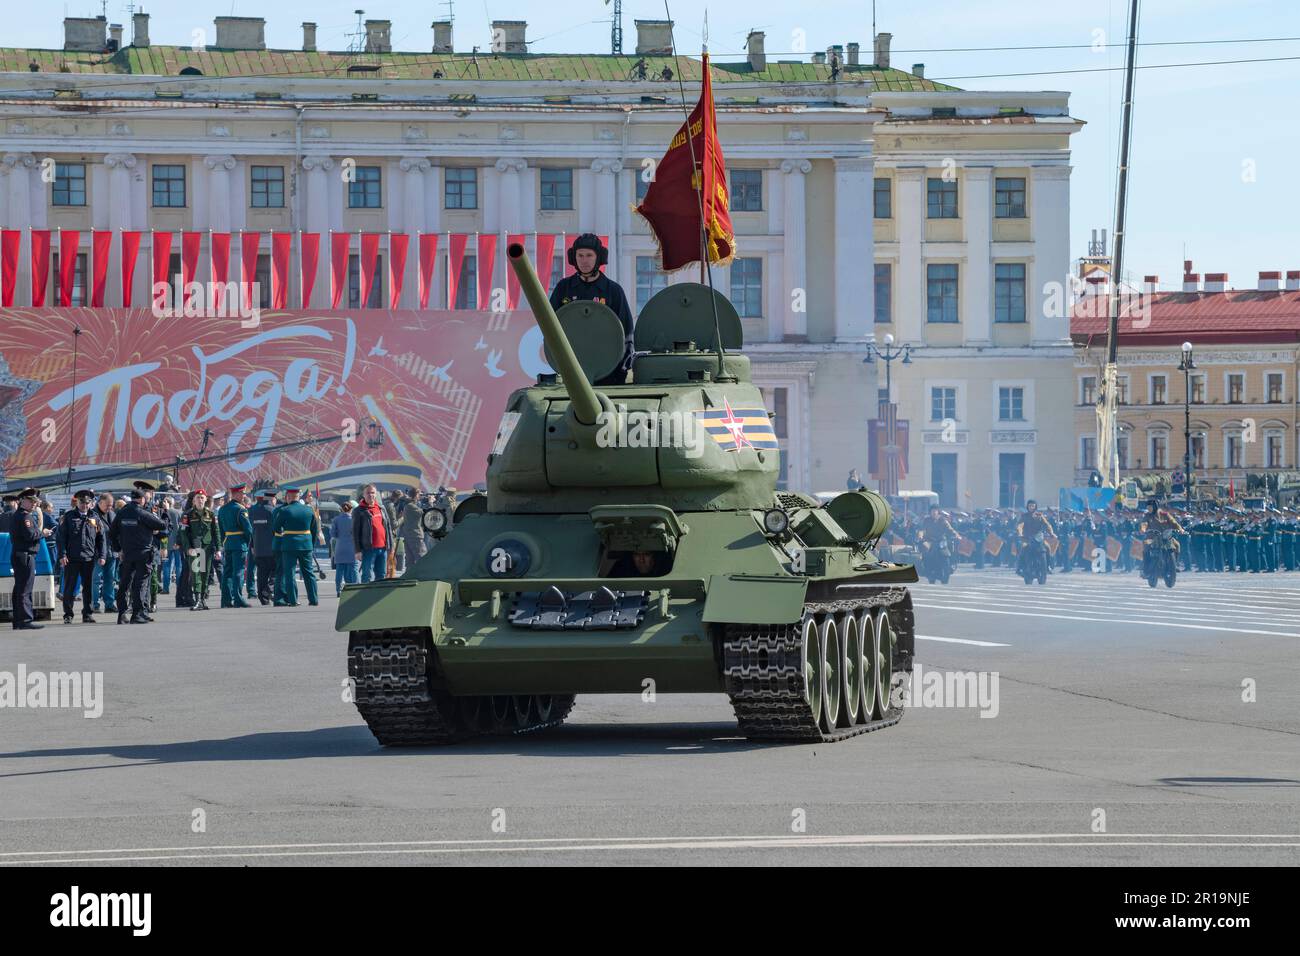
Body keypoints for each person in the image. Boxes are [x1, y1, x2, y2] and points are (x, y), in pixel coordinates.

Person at [547, 233, 635, 386]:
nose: (584, 260)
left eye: (589, 255)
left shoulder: (612, 291)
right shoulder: (564, 288)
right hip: (572, 368)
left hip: (608, 371)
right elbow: (549, 324)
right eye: (580, 255)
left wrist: (623, 368)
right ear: (574, 258)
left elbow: (626, 332)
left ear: (598, 258)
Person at [108, 481, 168, 624]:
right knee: (140, 584)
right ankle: (137, 614)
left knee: (124, 584)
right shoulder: (143, 513)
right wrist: (165, 512)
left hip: (127, 554)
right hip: (143, 554)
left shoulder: (122, 512)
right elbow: (162, 525)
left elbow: (112, 533)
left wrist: (119, 549)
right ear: (142, 500)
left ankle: (122, 614)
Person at [58, 489, 106, 624]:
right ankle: (68, 614)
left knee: (88, 587)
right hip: (72, 558)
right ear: (77, 502)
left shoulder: (95, 517)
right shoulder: (68, 517)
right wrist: (62, 554)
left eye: (87, 502)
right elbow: (61, 538)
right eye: (81, 502)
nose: (84, 505)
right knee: (69, 588)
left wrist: (102, 555)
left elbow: (101, 539)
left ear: (91, 503)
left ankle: (88, 614)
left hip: (89, 558)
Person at [9, 488, 51, 630]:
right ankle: (25, 620)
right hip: (25, 555)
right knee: (25, 589)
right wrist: (42, 533)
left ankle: (18, 620)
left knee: (20, 588)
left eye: (35, 502)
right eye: (31, 501)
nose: (34, 504)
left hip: (21, 555)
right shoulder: (25, 517)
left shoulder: (20, 515)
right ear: (23, 501)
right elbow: (30, 535)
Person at [273, 486, 321, 606]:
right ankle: (313, 599)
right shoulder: (309, 510)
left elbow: (275, 528)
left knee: (290, 573)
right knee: (309, 573)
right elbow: (314, 530)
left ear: (288, 497)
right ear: (298, 496)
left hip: (289, 545)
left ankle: (293, 600)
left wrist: (283, 533)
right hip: (306, 545)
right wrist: (311, 544)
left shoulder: (284, 511)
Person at [177, 489, 219, 611]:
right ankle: (198, 600)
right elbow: (183, 533)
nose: (200, 500)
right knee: (196, 574)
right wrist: (188, 548)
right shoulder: (188, 514)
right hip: (195, 548)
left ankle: (203, 599)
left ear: (206, 500)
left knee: (205, 574)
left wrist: (219, 548)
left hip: (207, 547)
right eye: (198, 498)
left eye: (202, 498)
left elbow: (216, 532)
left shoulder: (210, 514)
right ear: (194, 500)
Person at [217, 484, 254, 608]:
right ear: (237, 494)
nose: (244, 496)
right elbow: (248, 530)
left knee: (227, 572)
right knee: (238, 572)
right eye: (243, 493)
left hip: (228, 543)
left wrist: (223, 542)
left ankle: (226, 600)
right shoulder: (241, 509)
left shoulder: (222, 509)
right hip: (239, 544)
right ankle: (238, 599)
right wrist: (249, 543)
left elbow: (221, 530)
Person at [352, 484, 393, 583]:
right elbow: (355, 532)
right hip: (368, 549)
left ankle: (377, 596)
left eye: (373, 493)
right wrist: (357, 551)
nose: (371, 495)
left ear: (376, 494)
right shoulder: (358, 511)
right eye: (368, 493)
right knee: (367, 575)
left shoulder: (381, 508)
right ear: (364, 495)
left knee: (381, 575)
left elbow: (388, 527)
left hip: (382, 548)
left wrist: (391, 545)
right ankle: (364, 597)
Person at [248, 489, 278, 605]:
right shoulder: (273, 511)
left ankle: (263, 598)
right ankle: (268, 590)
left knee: (261, 574)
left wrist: (252, 545)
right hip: (272, 548)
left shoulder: (253, 511)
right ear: (272, 499)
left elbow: (251, 530)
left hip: (258, 548)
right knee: (275, 572)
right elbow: (278, 530)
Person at [331, 500, 358, 595]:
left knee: (339, 570)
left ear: (341, 509)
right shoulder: (354, 520)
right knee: (353, 569)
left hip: (340, 547)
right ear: (351, 509)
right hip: (352, 548)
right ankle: (355, 587)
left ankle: (338, 590)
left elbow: (333, 534)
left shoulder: (336, 520)